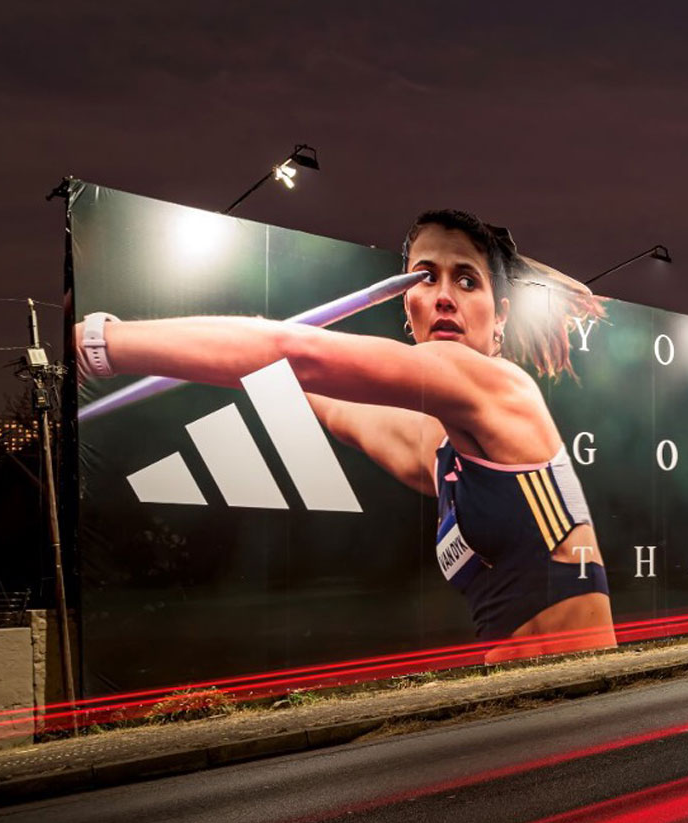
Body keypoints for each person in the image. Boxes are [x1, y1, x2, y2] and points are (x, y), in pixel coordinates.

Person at [74, 209, 615, 663]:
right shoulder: (436, 448)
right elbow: (324, 400)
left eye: (466, 280)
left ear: (499, 320)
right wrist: (243, 358)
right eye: (425, 277)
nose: (443, 296)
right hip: (522, 718)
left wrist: (105, 342)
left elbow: (294, 357)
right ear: (408, 306)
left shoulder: (499, 387)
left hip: (579, 717)